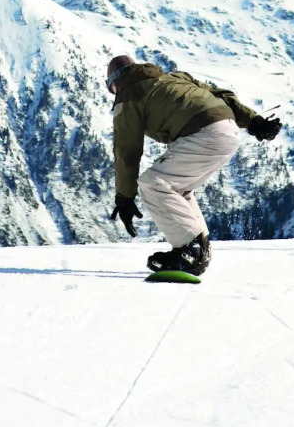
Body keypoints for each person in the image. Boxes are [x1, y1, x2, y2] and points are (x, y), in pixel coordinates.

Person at [107, 55, 282, 276]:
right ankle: (199, 249)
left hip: (203, 134)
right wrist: (254, 121)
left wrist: (125, 197)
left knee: (153, 183)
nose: (113, 92)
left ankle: (189, 251)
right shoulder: (174, 77)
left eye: (111, 88)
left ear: (115, 82)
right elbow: (221, 95)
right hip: (228, 129)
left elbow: (127, 151)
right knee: (179, 188)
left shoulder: (127, 96)